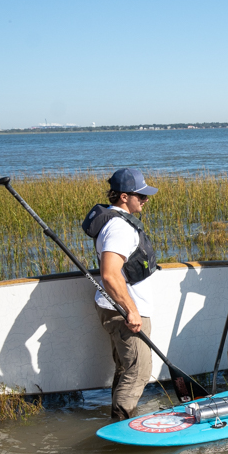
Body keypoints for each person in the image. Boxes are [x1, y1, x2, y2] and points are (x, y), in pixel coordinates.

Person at [85, 168, 160, 419]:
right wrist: (132, 310)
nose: (146, 200)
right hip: (125, 311)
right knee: (138, 371)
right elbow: (109, 274)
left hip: (119, 309)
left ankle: (117, 422)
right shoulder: (119, 227)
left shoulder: (116, 222)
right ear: (124, 196)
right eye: (141, 195)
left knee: (126, 369)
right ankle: (123, 427)